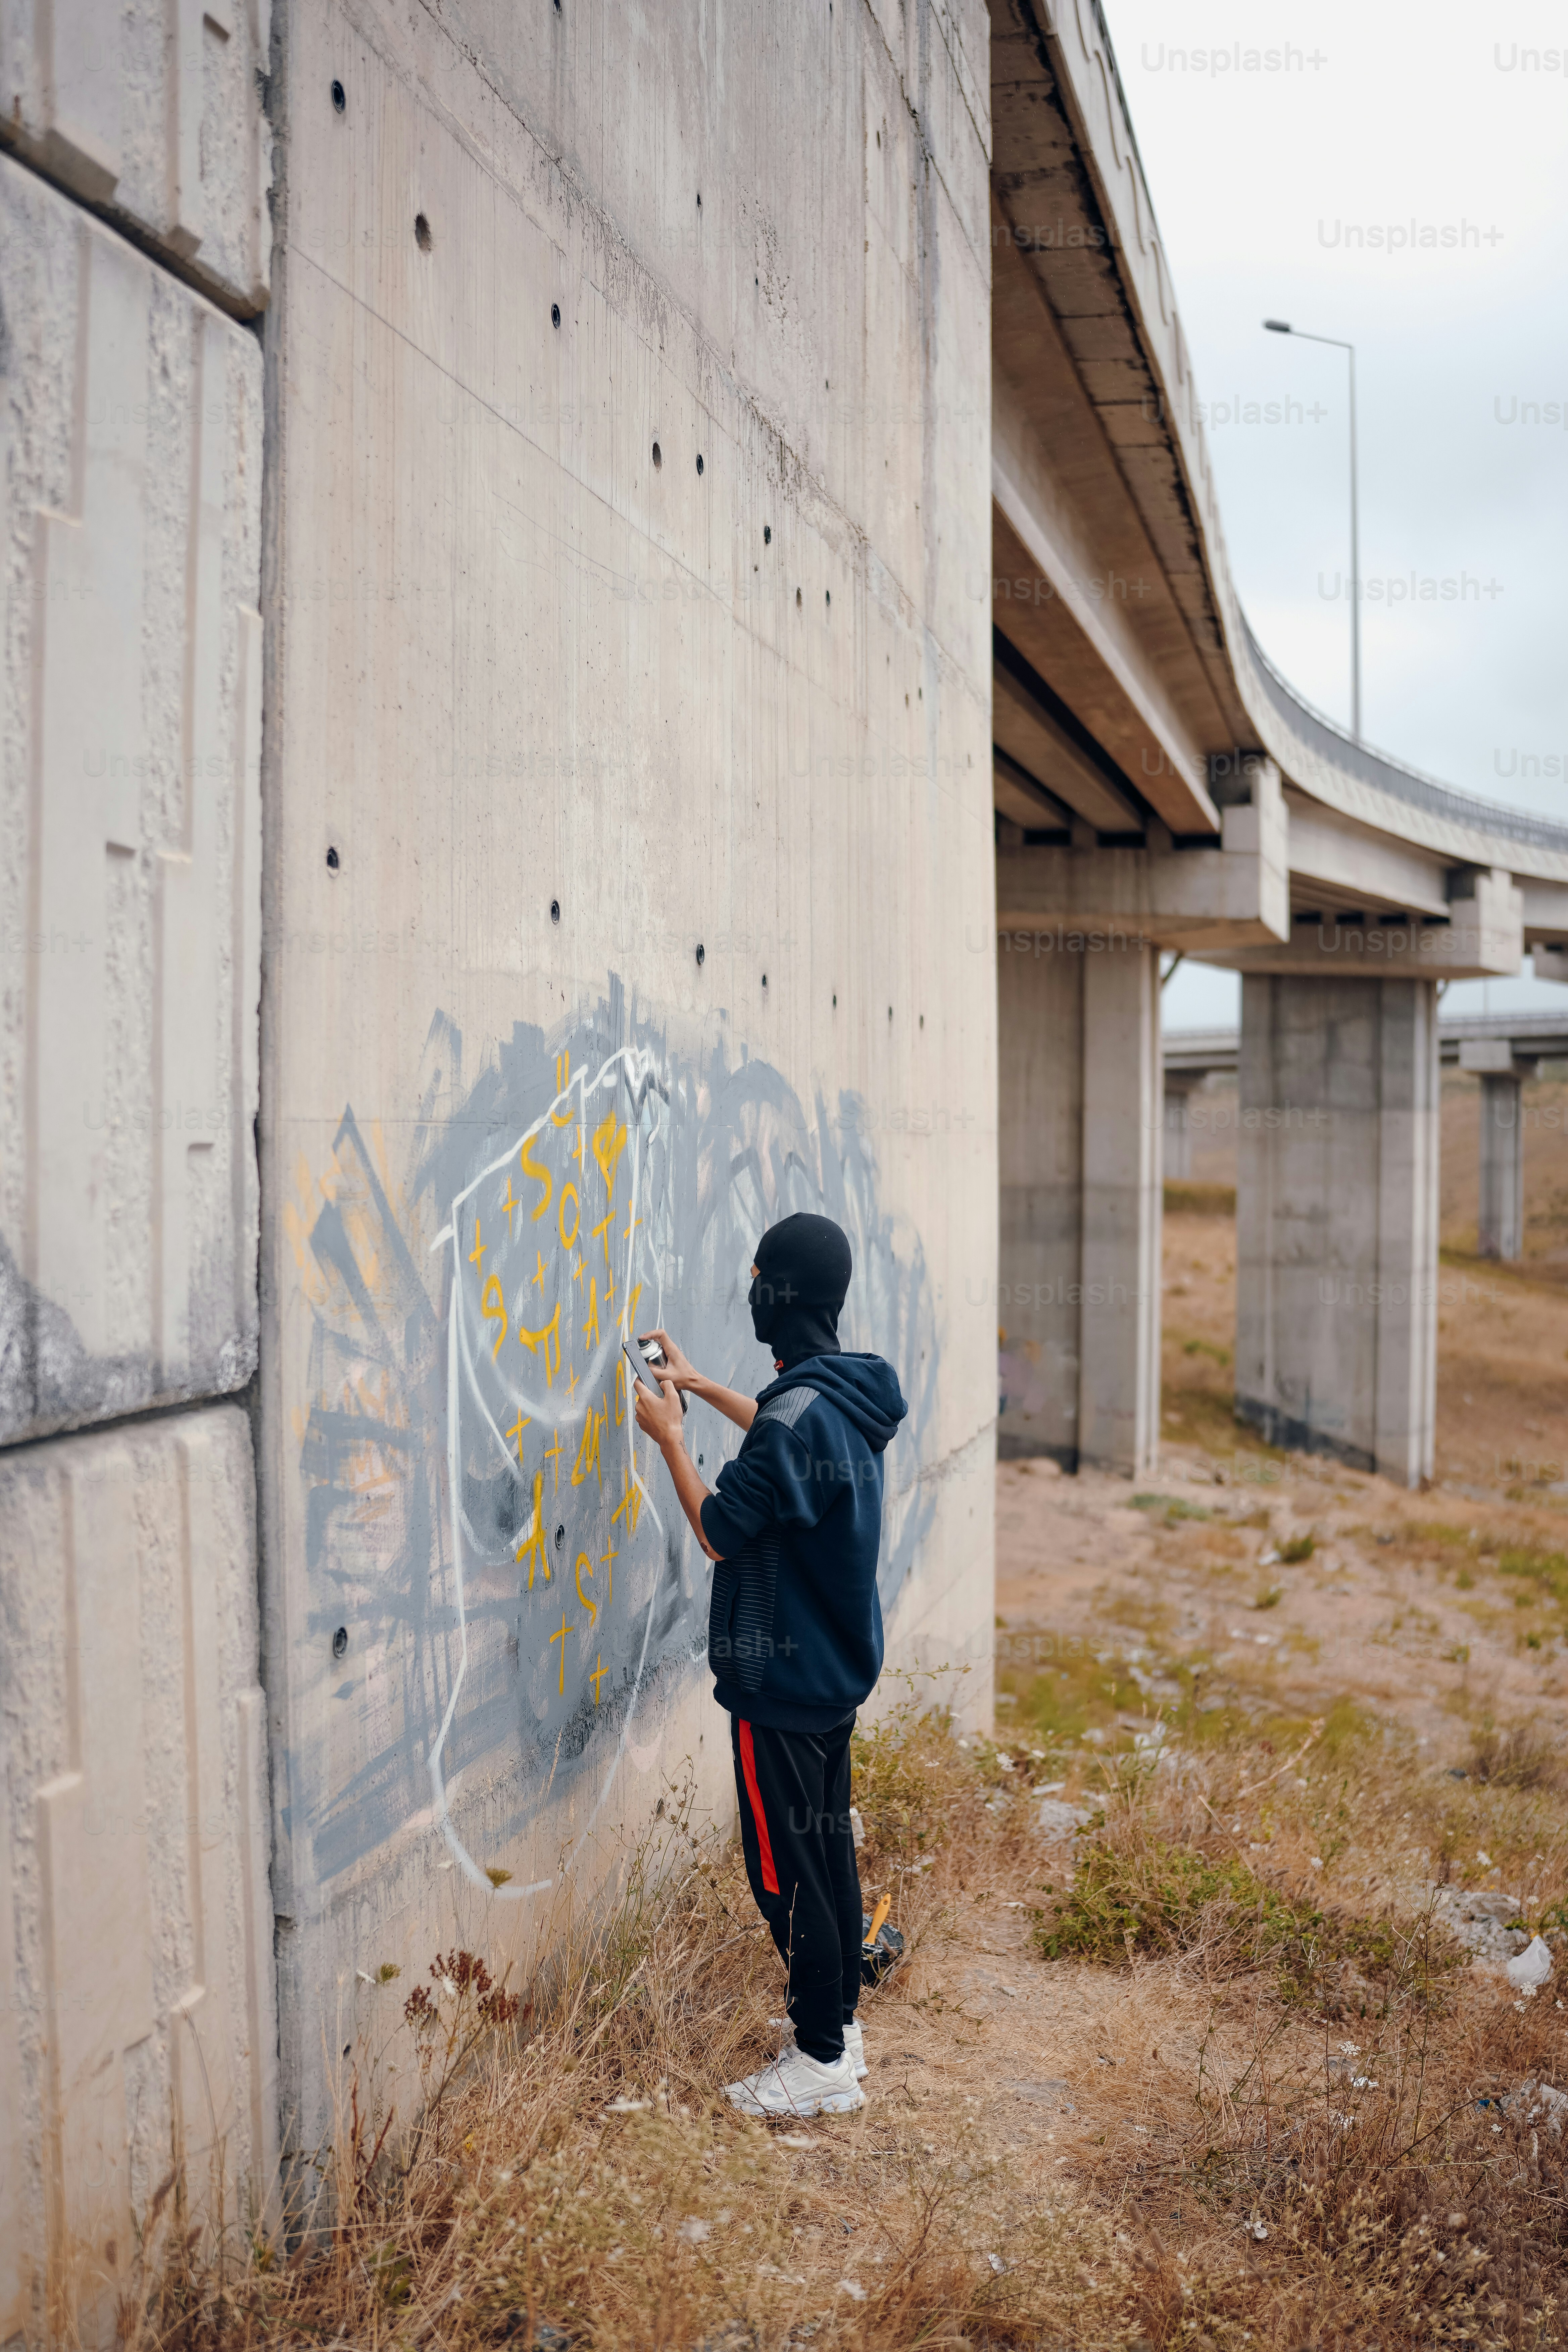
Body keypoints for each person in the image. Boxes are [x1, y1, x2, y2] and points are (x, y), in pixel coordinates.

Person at [633, 1211, 907, 2118]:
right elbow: (788, 1444)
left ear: (778, 1294)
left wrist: (668, 1433)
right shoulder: (842, 1395)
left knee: (784, 1873)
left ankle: (820, 2059)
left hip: (778, 1688)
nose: (748, 1288)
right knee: (826, 1850)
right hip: (833, 1676)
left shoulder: (799, 1415)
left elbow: (719, 1532)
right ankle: (842, 2031)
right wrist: (704, 1386)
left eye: (757, 1276)